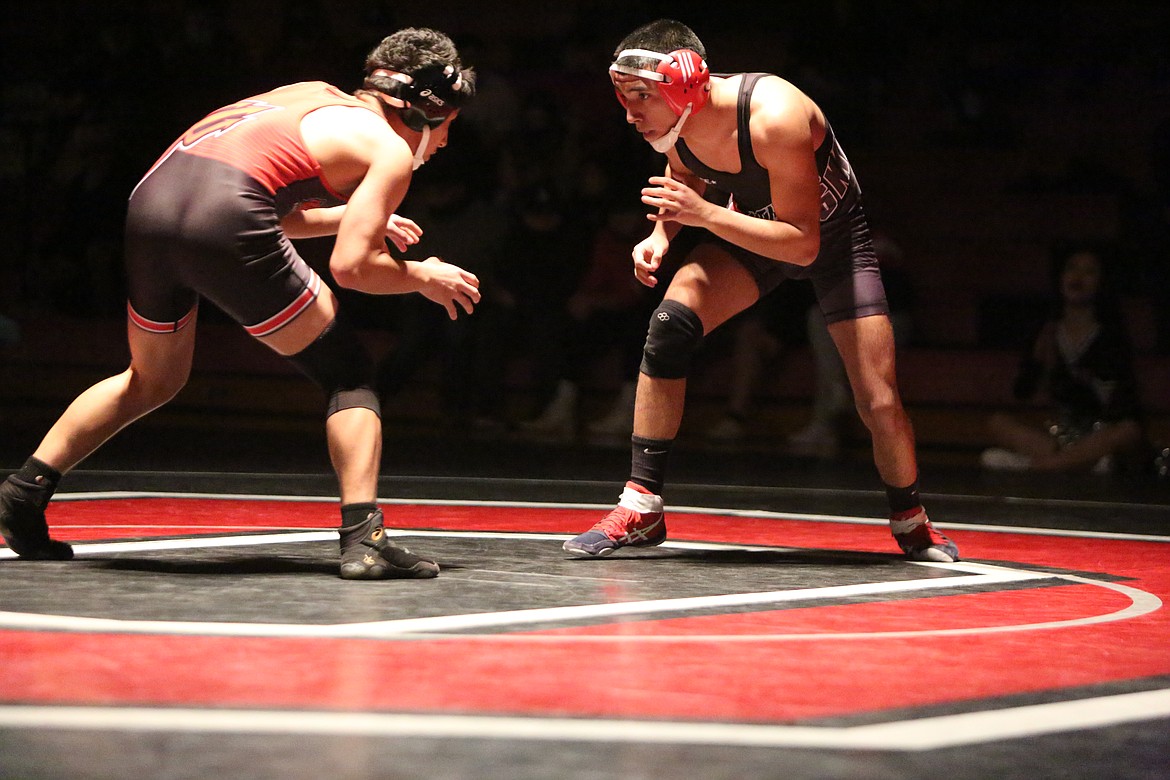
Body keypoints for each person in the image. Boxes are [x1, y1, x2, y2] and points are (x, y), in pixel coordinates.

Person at [0, 28, 481, 580]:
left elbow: (263, 200)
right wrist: (423, 275)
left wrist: (346, 218)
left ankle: (22, 494)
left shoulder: (308, 92)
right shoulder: (389, 149)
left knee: (151, 379)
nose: (443, 145)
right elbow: (353, 270)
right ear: (425, 112)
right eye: (448, 128)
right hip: (226, 212)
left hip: (150, 205)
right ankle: (363, 537)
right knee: (349, 374)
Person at [563, 19, 958, 562]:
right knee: (669, 324)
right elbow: (689, 177)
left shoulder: (776, 115)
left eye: (640, 97)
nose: (629, 113)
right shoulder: (679, 119)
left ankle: (911, 520)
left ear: (684, 87)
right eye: (624, 97)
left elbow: (801, 245)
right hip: (750, 230)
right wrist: (659, 235)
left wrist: (701, 216)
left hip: (827, 242)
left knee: (878, 398)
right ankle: (642, 505)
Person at [980, 245, 1145, 473]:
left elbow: (1122, 403)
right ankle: (1076, 464)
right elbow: (1023, 392)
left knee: (1128, 431)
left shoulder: (1110, 334)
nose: (1078, 277)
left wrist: (1089, 379)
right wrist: (1039, 363)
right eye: (1072, 269)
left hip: (1097, 432)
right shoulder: (1047, 331)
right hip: (1057, 433)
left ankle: (1038, 466)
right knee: (997, 422)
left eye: (1089, 272)